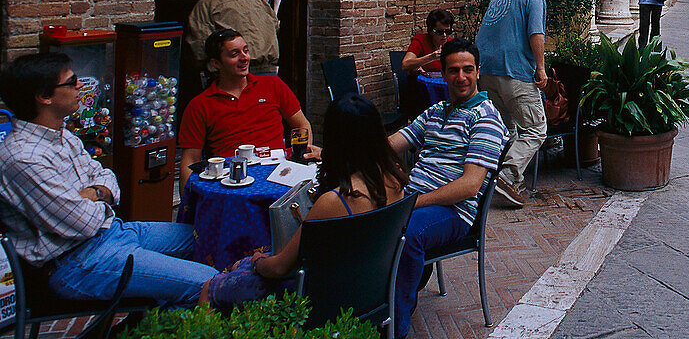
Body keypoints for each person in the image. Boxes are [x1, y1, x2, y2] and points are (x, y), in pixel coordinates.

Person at [0, 53, 218, 304]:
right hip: (77, 261)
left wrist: (93, 193)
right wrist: (99, 195)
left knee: (216, 237)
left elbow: (108, 179)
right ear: (45, 96)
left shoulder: (60, 133)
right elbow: (83, 222)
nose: (80, 86)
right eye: (72, 82)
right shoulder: (22, 158)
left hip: (115, 232)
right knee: (210, 283)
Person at [203, 96, 408, 307]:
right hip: (365, 292)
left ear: (334, 140)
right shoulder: (395, 180)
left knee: (210, 288)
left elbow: (279, 268)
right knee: (242, 265)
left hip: (316, 298)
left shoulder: (336, 201)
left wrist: (256, 261)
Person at [388, 38, 507, 339]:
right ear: (442, 74)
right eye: (453, 70)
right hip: (416, 201)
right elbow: (391, 145)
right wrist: (333, 151)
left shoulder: (486, 118)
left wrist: (414, 203)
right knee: (363, 211)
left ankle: (395, 325)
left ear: (479, 71)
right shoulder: (436, 111)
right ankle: (376, 299)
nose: (461, 77)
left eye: (468, 70)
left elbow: (470, 186)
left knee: (407, 233)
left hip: (454, 212)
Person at [178, 29, 319, 191]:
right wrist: (186, 206)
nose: (244, 58)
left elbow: (302, 124)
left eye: (246, 51)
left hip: (280, 173)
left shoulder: (273, 85)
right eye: (234, 54)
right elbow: (190, 159)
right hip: (231, 182)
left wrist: (303, 155)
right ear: (216, 63)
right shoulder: (200, 104)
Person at [474, 0, 548, 208]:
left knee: (507, 130)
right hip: (515, 72)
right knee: (536, 129)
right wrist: (541, 69)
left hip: (486, 73)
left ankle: (505, 184)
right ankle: (508, 176)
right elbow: (536, 33)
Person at [185, 0, 280, 75]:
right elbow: (275, 25)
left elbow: (200, 44)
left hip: (232, 73)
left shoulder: (206, 4)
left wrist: (209, 68)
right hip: (267, 69)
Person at [403, 9, 454, 75]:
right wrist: (431, 57)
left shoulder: (451, 43)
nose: (444, 35)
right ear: (431, 31)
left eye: (448, 32)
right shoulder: (420, 40)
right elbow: (405, 64)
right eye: (439, 32)